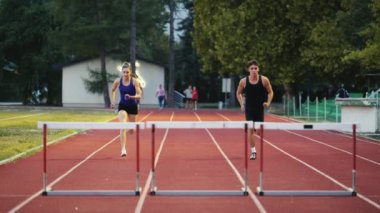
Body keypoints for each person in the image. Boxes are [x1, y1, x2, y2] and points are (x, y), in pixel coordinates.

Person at [236, 59, 274, 160]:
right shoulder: (243, 81)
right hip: (249, 108)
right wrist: (241, 104)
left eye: (255, 68)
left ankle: (255, 130)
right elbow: (238, 93)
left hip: (259, 107)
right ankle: (253, 151)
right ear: (248, 70)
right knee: (250, 129)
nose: (254, 70)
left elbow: (270, 92)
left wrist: (268, 102)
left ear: (258, 69)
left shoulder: (264, 80)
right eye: (252, 68)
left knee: (259, 132)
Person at [111, 62, 142, 157]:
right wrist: (113, 101)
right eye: (124, 72)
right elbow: (113, 90)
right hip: (122, 106)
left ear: (130, 72)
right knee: (123, 125)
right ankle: (123, 149)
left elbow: (139, 95)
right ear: (121, 72)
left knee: (132, 130)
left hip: (132, 106)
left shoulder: (135, 81)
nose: (125, 74)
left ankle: (123, 135)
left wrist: (132, 97)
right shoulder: (118, 81)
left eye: (127, 72)